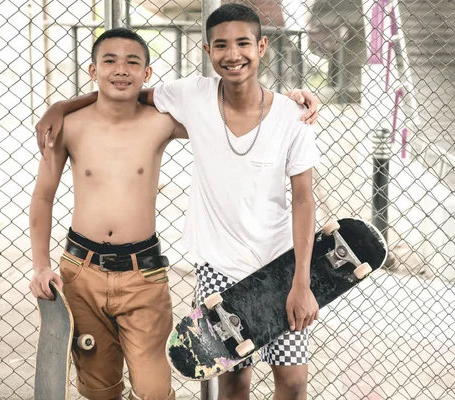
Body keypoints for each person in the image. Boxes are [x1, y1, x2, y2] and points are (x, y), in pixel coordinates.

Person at [36, 5, 321, 398]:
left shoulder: (289, 117)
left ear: (262, 46)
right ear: (207, 50)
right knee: (230, 379)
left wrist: (303, 280)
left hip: (272, 265)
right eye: (221, 45)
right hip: (203, 268)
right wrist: (61, 106)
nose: (232, 53)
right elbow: (123, 93)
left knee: (291, 381)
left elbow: (304, 200)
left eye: (242, 43)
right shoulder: (193, 96)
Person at [28, 28, 187, 400]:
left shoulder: (160, 122)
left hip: (143, 276)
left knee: (154, 391)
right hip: (82, 273)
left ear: (147, 74)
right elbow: (43, 197)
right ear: (92, 69)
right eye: (109, 61)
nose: (121, 69)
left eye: (133, 62)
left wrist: (288, 101)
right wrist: (39, 265)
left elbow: (226, 115)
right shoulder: (68, 126)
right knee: (99, 390)